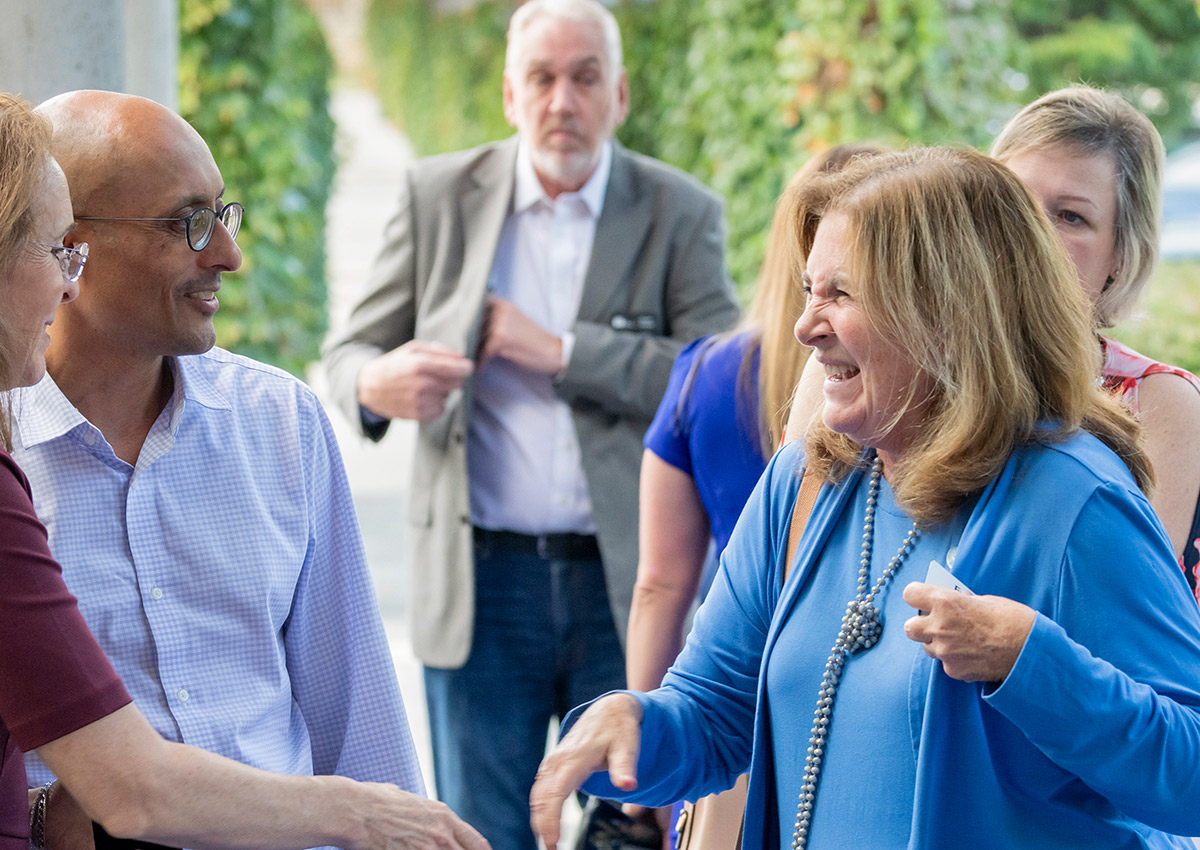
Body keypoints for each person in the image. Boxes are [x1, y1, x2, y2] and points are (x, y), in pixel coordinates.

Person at [529, 147, 1200, 849]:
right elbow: (714, 712)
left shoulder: (1074, 500)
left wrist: (1033, 664)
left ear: (947, 310)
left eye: (841, 294)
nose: (804, 326)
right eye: (808, 289)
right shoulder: (805, 480)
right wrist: (628, 726)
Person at [0, 91, 486, 850]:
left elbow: (357, 718)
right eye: (187, 222)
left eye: (224, 214)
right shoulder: (7, 460)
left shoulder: (279, 425)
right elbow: (124, 789)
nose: (227, 254)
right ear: (74, 246)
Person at [322, 0, 739, 846]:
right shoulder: (438, 194)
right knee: (480, 832)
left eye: (585, 78)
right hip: (482, 584)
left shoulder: (679, 211)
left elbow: (717, 377)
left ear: (618, 95)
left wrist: (559, 351)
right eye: (542, 79)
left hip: (623, 583)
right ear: (510, 97)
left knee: (627, 828)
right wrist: (377, 380)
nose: (563, 101)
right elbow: (350, 350)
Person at [625, 143, 884, 845]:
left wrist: (642, 744)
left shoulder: (707, 374)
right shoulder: (835, 438)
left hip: (735, 727)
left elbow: (659, 585)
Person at [991, 84, 1200, 598]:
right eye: (1014, 201)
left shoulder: (1158, 403)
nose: (1031, 233)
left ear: (1120, 258)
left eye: (1070, 216)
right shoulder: (895, 366)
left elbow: (1118, 608)